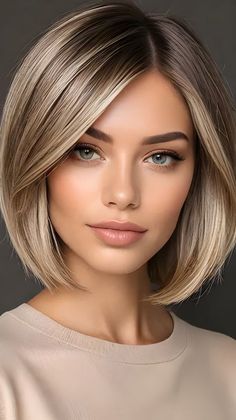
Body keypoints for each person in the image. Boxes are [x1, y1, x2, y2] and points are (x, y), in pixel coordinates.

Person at [0, 0, 236, 419]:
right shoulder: (7, 374)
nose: (123, 194)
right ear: (37, 157)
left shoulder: (228, 371)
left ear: (198, 173)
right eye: (86, 151)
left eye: (161, 157)